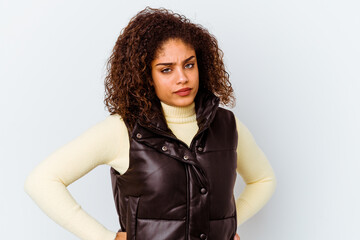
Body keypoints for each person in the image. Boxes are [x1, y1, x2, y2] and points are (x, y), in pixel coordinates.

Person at [24, 6, 276, 240]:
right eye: (166, 69)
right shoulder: (121, 130)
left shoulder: (227, 125)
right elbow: (42, 181)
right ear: (145, 75)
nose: (182, 78)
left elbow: (263, 180)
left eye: (189, 65)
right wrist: (106, 237)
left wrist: (226, 225)